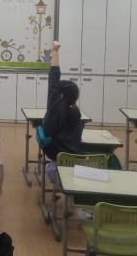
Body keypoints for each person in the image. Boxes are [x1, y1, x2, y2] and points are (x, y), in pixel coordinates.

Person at [42, 41, 83, 182]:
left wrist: (55, 51)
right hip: (72, 158)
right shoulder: (75, 112)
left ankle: (55, 174)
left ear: (61, 95)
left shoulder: (56, 108)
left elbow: (54, 78)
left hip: (55, 156)